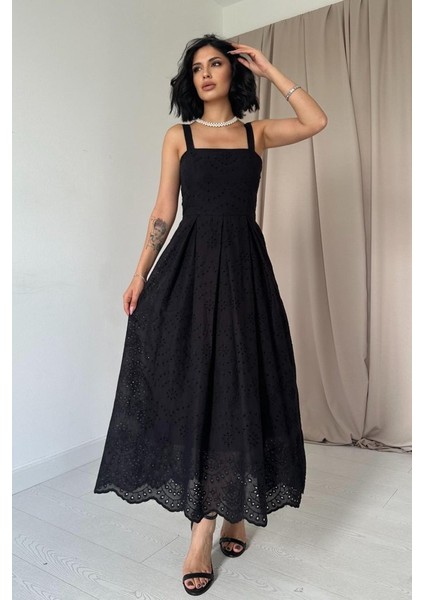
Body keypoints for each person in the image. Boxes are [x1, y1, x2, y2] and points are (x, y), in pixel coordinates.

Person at [94, 33, 327, 596]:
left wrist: (269, 69)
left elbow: (316, 121)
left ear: (232, 73)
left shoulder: (255, 134)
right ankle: (201, 531)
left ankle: (235, 508)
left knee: (242, 386)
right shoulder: (179, 137)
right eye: (197, 67)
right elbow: (163, 210)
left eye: (215, 64)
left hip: (245, 273)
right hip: (192, 272)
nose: (205, 74)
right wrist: (139, 273)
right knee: (198, 386)